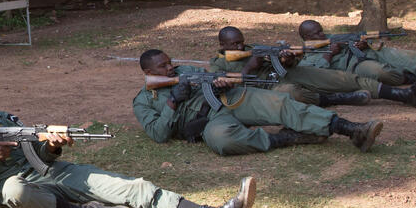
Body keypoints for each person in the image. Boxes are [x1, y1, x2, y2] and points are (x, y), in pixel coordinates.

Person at [0, 91, 257, 208]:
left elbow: (41, 157)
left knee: (131, 188)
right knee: (15, 190)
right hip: (23, 190)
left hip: (53, 175)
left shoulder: (2, 120)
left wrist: (50, 146)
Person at [135, 49, 386, 155]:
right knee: (223, 141)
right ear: (148, 73)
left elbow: (216, 78)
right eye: (163, 66)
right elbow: (159, 134)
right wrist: (172, 103)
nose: (170, 68)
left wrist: (221, 83)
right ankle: (286, 138)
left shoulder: (186, 70)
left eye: (170, 63)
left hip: (228, 99)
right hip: (207, 123)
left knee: (281, 103)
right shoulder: (143, 101)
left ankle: (351, 129)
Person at [212, 25, 416, 109]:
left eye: (241, 42)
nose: (240, 46)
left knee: (343, 79)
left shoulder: (253, 48)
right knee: (294, 94)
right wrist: (248, 68)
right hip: (265, 89)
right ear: (222, 45)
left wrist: (287, 59)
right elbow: (227, 90)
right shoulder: (217, 64)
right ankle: (335, 99)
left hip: (286, 74)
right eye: (234, 44)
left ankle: (404, 95)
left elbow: (288, 63)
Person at [296, 20, 416, 90]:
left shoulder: (332, 37)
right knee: (383, 73)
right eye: (316, 34)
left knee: (411, 59)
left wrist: (361, 44)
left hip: (369, 54)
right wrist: (329, 55)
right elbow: (316, 75)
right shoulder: (303, 55)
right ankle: (414, 77)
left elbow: (353, 42)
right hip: (354, 68)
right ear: (306, 38)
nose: (322, 35)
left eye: (321, 31)